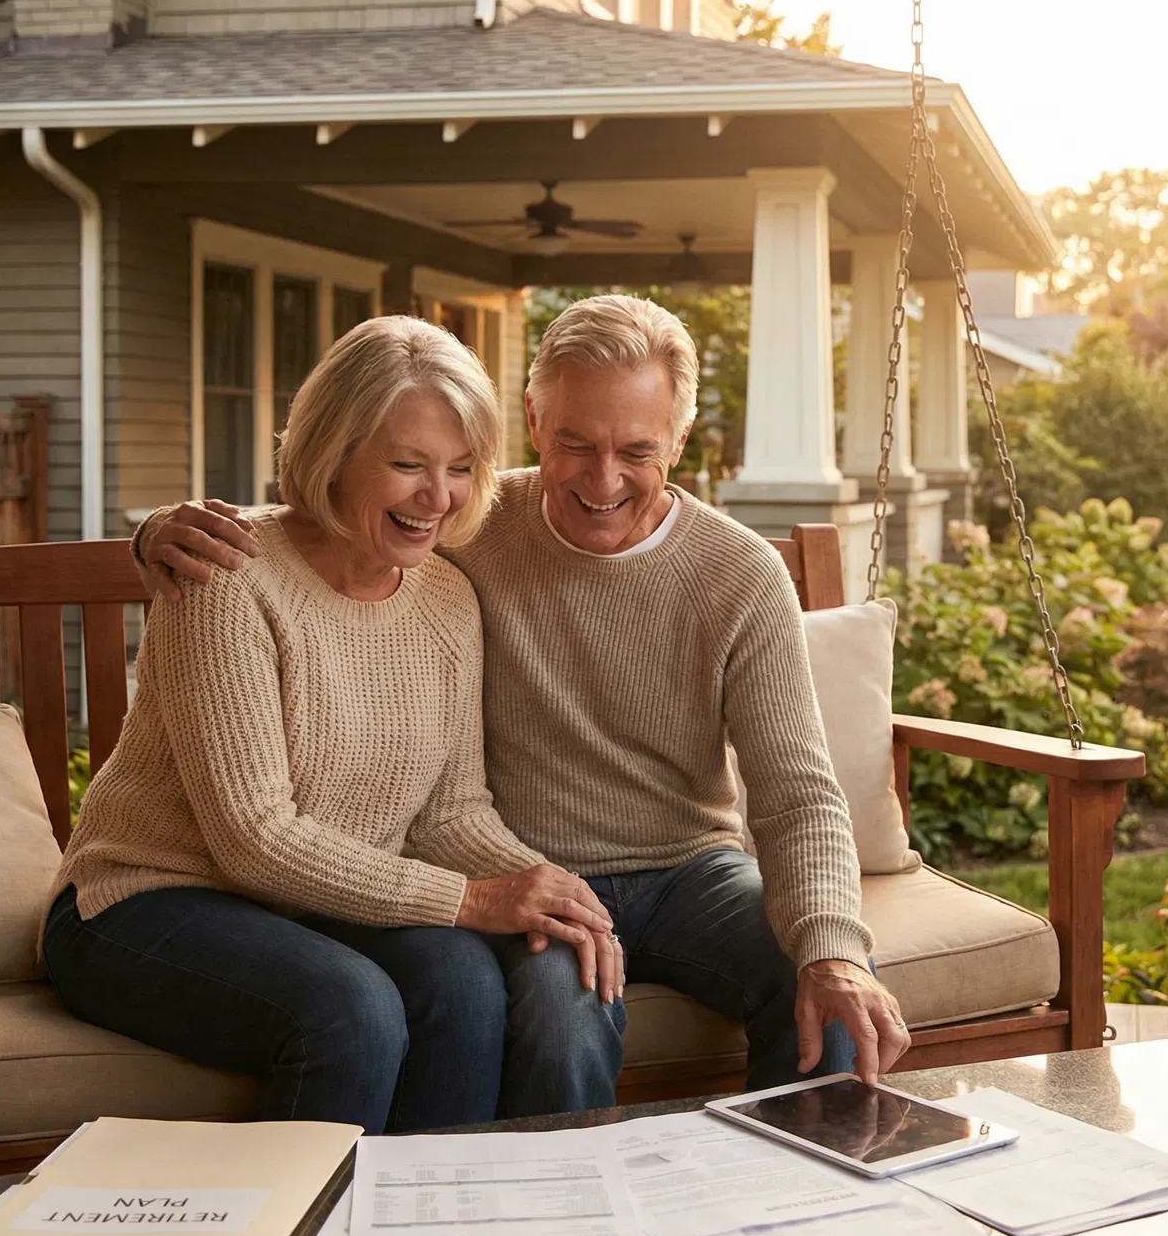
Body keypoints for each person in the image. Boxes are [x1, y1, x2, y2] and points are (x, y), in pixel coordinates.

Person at [136, 295, 909, 1118]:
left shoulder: (740, 571)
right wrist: (152, 536)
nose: (604, 479)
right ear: (535, 420)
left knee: (819, 986)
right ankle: (549, 1225)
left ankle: (793, 1217)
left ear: (678, 441)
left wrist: (835, 952)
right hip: (523, 863)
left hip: (689, 869)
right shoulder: (468, 521)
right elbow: (325, 530)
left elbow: (797, 793)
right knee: (552, 1016)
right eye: (576, 442)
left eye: (637, 450)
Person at [43, 315, 620, 1136]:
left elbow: (448, 813)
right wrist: (472, 900)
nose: (438, 496)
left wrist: (555, 894)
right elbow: (254, 836)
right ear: (334, 452)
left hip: (310, 909)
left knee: (462, 980)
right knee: (354, 1010)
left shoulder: (448, 602)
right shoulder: (226, 577)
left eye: (460, 468)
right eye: (407, 465)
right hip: (144, 903)